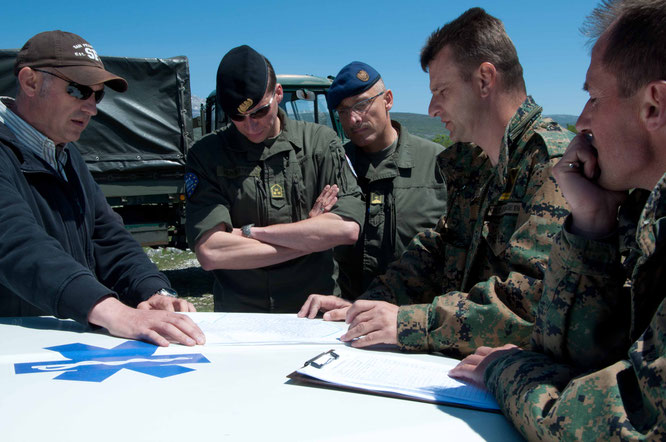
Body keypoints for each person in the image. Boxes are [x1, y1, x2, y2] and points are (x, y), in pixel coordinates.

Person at [299, 8, 573, 357]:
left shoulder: (553, 165)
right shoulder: (476, 163)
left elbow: (532, 301)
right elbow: (436, 251)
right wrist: (363, 308)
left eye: (442, 90)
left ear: (485, 80)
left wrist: (409, 323)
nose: (431, 108)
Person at [449, 0, 666, 438]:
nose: (582, 122)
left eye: (594, 98)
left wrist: (507, 371)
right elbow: (573, 357)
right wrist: (592, 223)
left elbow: (624, 424)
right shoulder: (639, 207)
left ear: (653, 106)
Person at [0, 30, 204, 347]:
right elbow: (16, 244)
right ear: (30, 82)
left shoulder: (66, 156)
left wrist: (154, 290)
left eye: (98, 95)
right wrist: (112, 312)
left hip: (63, 346)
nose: (92, 108)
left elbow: (108, 236)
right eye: (79, 90)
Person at [185, 45, 364, 312]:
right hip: (241, 318)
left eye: (259, 111)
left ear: (277, 93)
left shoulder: (319, 144)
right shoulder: (207, 155)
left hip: (313, 312)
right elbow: (212, 252)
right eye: (238, 117)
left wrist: (249, 232)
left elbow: (346, 229)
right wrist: (309, 236)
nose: (251, 125)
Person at [326, 61, 447, 300]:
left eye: (361, 105)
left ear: (388, 99)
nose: (353, 120)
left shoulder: (438, 164)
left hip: (413, 322)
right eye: (342, 111)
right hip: (343, 319)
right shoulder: (334, 165)